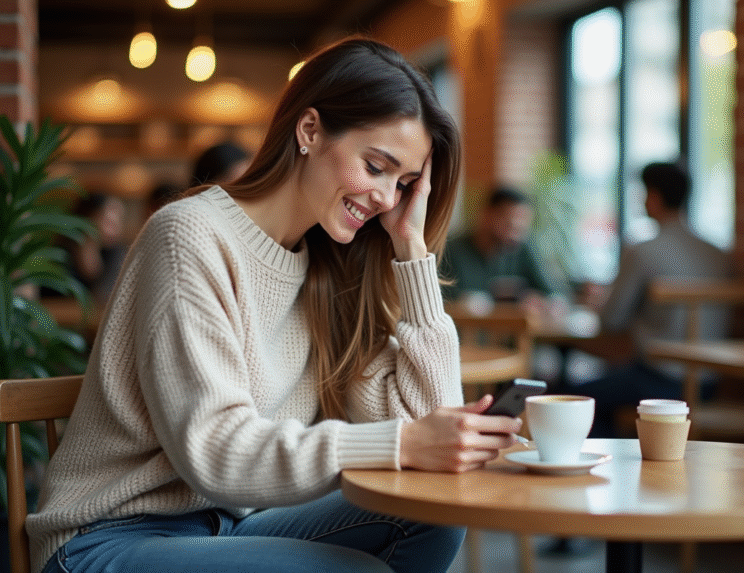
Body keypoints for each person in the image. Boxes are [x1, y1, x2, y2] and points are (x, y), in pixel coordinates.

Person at [28, 37, 522, 573]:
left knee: (432, 514)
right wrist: (404, 442)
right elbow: (215, 450)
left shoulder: (331, 267)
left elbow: (428, 439)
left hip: (231, 525)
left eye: (404, 184)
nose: (386, 198)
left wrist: (411, 252)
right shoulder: (190, 236)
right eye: (376, 167)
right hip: (109, 538)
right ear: (309, 131)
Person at [573, 161, 732, 438]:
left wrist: (597, 301)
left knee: (573, 397)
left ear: (654, 198)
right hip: (710, 384)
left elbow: (611, 320)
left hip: (660, 383)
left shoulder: (643, 251)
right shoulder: (718, 255)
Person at [441, 186, 563, 306]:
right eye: (510, 225)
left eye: (522, 228)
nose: (516, 235)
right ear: (487, 215)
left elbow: (555, 294)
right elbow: (442, 299)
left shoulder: (523, 249)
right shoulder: (450, 251)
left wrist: (537, 299)